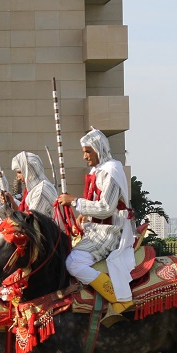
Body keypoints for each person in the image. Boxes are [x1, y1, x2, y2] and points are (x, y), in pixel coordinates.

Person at [57, 128, 136, 314]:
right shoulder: (99, 170)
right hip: (95, 229)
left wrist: (75, 202)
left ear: (99, 149)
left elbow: (106, 208)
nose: (85, 156)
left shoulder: (111, 171)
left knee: (73, 263)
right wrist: (83, 215)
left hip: (109, 232)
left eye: (88, 151)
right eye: (83, 151)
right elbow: (95, 204)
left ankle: (117, 298)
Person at [0, 152, 58, 219]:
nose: (18, 177)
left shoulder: (41, 190)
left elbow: (29, 222)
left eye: (20, 172)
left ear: (29, 170)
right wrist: (11, 203)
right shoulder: (33, 190)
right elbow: (23, 216)